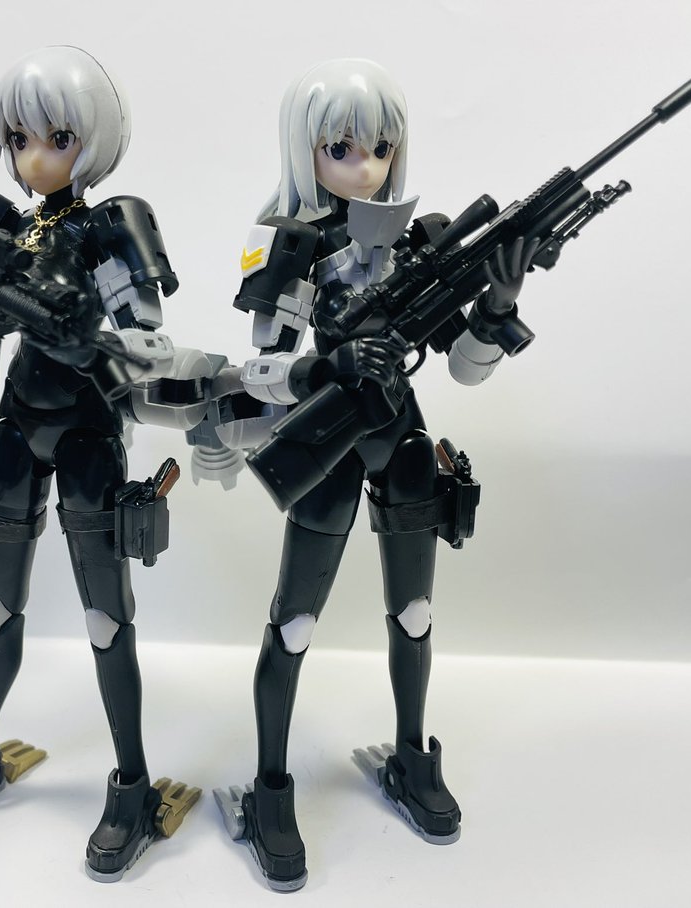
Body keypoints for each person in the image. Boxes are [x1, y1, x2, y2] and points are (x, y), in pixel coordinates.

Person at [217, 57, 536, 891]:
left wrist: (498, 306)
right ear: (306, 150)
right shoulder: (289, 244)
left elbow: (466, 367)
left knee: (416, 614)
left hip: (400, 440)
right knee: (294, 625)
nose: (365, 166)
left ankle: (412, 758)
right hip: (326, 447)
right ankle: (271, 790)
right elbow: (259, 370)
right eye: (342, 148)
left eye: (381, 148)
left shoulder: (419, 246)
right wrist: (329, 362)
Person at [0, 45, 186, 883]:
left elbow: (150, 341)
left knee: (106, 622)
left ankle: (132, 786)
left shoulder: (110, 225)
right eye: (21, 138)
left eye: (57, 138)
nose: (35, 158)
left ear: (90, 141)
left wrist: (85, 337)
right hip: (19, 426)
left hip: (90, 431)